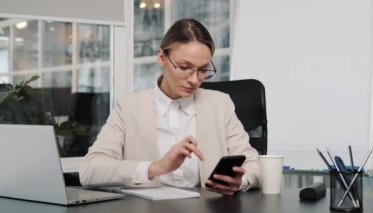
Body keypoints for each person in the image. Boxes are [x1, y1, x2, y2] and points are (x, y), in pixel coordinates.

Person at [79, 18, 260, 195]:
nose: (194, 79)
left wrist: (240, 182)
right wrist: (156, 167)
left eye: (203, 69)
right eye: (183, 67)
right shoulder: (129, 107)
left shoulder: (221, 104)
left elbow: (253, 164)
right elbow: (90, 170)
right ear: (161, 57)